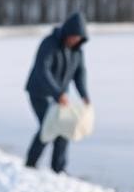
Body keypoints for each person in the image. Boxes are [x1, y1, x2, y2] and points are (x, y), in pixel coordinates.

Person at [24, 12, 91, 173]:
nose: (75, 40)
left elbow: (79, 73)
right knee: (48, 126)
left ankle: (58, 169)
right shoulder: (49, 43)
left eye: (78, 38)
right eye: (74, 36)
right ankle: (30, 165)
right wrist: (57, 93)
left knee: (64, 128)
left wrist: (84, 95)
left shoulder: (77, 51)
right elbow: (42, 70)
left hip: (60, 96)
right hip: (39, 92)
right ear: (67, 32)